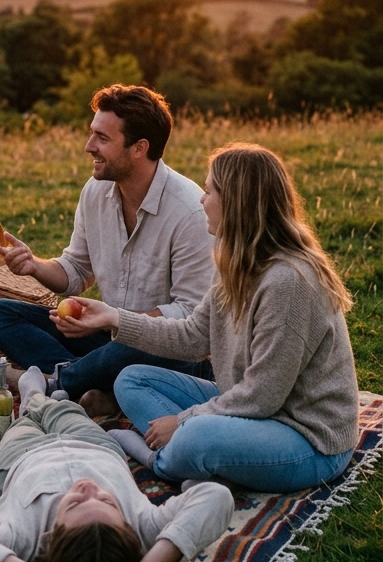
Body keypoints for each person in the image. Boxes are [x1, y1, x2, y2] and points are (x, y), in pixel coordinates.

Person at [71, 143, 359, 492]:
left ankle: (157, 458)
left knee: (198, 436)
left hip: (307, 439)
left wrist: (182, 420)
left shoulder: (288, 282)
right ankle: (192, 456)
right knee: (132, 380)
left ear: (236, 202)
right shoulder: (236, 262)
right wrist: (114, 318)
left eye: (209, 191)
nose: (201, 200)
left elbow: (262, 396)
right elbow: (192, 336)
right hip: (249, 410)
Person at [0, 84, 215, 412]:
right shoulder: (95, 192)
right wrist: (33, 264)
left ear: (139, 148)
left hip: (169, 351)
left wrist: (115, 319)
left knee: (130, 348)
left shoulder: (190, 211)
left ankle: (54, 383)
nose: (89, 146)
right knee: (0, 314)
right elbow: (75, 272)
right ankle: (91, 383)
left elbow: (190, 318)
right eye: (92, 134)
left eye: (102, 138)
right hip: (109, 336)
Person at [0, 370, 233, 562]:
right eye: (106, 501)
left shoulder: (23, 541)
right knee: (66, 409)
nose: (88, 489)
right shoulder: (143, 529)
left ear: (51, 538)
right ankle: (47, 398)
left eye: (74, 504)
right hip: (93, 445)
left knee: (24, 420)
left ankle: (33, 396)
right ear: (126, 525)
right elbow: (216, 498)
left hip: (21, 458)